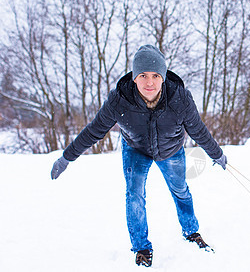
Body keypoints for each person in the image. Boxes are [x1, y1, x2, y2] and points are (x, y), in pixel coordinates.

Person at [50, 45, 227, 267]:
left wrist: (216, 153)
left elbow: (198, 130)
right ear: (134, 78)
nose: (149, 82)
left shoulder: (180, 98)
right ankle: (142, 247)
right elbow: (94, 130)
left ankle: (191, 232)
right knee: (134, 195)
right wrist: (67, 157)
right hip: (136, 149)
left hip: (171, 149)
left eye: (155, 76)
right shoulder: (119, 100)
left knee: (180, 190)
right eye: (143, 75)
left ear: (163, 77)